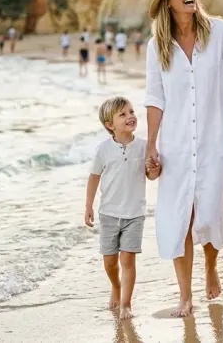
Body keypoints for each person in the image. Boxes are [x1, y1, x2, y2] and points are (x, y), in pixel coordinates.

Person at [144, 0, 223, 318]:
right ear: (167, 2)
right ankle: (185, 295)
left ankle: (211, 266)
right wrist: (151, 145)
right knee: (181, 217)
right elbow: (155, 99)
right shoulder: (156, 47)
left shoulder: (218, 31)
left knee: (211, 210)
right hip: (175, 145)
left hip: (215, 139)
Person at [84, 96, 159, 320]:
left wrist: (154, 167)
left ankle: (126, 304)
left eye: (131, 111)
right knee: (109, 262)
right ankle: (116, 286)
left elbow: (152, 176)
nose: (130, 117)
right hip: (108, 214)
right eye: (123, 114)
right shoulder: (103, 149)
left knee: (127, 260)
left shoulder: (144, 146)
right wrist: (88, 206)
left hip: (134, 214)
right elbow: (94, 177)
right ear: (110, 125)